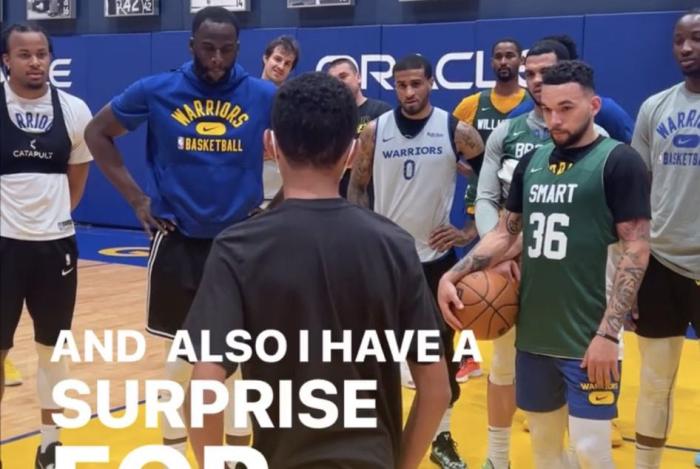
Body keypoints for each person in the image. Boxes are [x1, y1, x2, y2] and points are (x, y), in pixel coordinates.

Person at [185, 71, 451, 469]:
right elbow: (436, 389)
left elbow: (204, 391)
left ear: (271, 145)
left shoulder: (237, 247)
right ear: (353, 152)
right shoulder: (394, 245)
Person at [438, 60, 651, 469]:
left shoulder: (619, 162)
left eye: (566, 108)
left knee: (591, 451)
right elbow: (505, 233)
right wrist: (454, 273)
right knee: (545, 452)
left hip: (590, 336)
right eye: (548, 109)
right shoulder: (532, 163)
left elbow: (637, 248)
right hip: (534, 335)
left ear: (593, 105)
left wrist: (609, 333)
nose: (555, 119)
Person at [84, 6, 276, 459]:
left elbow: (308, 144)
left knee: (239, 364)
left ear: (238, 48)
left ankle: (237, 459)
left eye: (226, 50)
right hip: (179, 240)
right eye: (208, 49)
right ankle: (173, 456)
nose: (217, 59)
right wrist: (136, 199)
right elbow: (96, 132)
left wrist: (279, 206)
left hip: (239, 245)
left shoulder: (263, 94)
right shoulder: (157, 89)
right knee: (180, 361)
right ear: (191, 46)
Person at [348, 54, 484, 469]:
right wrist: (363, 236)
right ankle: (376, 438)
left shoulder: (456, 130)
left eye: (416, 84)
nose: (408, 92)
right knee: (374, 354)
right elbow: (357, 188)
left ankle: (441, 437)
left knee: (439, 357)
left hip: (436, 263)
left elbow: (491, 180)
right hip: (385, 262)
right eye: (401, 85)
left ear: (430, 84)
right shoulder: (375, 131)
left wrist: (470, 230)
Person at [1, 22, 92, 468]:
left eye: (41, 54)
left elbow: (76, 183)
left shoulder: (74, 109)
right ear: (6, 61)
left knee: (52, 352)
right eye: (24, 54)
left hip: (55, 248)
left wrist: (48, 220)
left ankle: (50, 445)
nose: (35, 62)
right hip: (3, 247)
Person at [630, 9, 700, 469]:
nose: (686, 48)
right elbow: (635, 197)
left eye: (696, 38)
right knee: (655, 381)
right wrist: (630, 272)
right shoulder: (655, 107)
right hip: (661, 264)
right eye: (678, 40)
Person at [452, 37, 529, 383]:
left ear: (520, 61)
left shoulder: (530, 104)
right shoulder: (472, 104)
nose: (503, 61)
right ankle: (467, 356)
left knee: (516, 290)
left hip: (521, 217)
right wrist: (464, 165)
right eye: (498, 56)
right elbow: (449, 138)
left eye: (510, 55)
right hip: (480, 212)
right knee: (472, 287)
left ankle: (522, 359)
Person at [508, 35, 634, 144]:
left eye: (546, 71)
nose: (537, 80)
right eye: (530, 74)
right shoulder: (518, 116)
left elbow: (630, 152)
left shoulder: (606, 111)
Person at [326, 57, 392, 202]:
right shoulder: (327, 118)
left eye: (343, 76)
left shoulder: (381, 111)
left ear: (359, 77)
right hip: (337, 201)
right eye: (334, 81)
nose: (339, 83)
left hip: (373, 199)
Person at [259, 35, 300, 209]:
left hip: (282, 190)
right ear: (265, 58)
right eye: (277, 59)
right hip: (250, 189)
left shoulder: (294, 101)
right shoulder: (245, 94)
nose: (281, 66)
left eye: (287, 63)